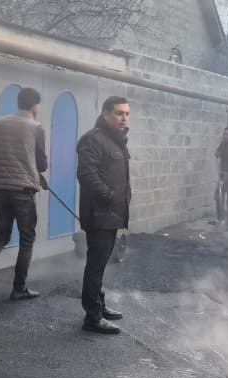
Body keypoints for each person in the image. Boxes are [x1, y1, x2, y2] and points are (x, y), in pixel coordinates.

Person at [0, 87, 49, 301]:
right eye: (38, 105)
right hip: (23, 191)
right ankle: (19, 288)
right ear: (34, 105)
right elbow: (42, 163)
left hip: (0, 189)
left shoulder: (0, 124)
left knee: (2, 234)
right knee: (27, 238)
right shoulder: (36, 127)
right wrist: (34, 171)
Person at [77, 97, 132, 335]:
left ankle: (98, 305)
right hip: (100, 214)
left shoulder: (115, 140)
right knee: (96, 265)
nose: (124, 118)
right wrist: (109, 196)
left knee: (101, 263)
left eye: (127, 114)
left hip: (112, 213)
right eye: (119, 113)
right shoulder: (93, 139)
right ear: (106, 114)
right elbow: (86, 174)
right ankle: (92, 317)